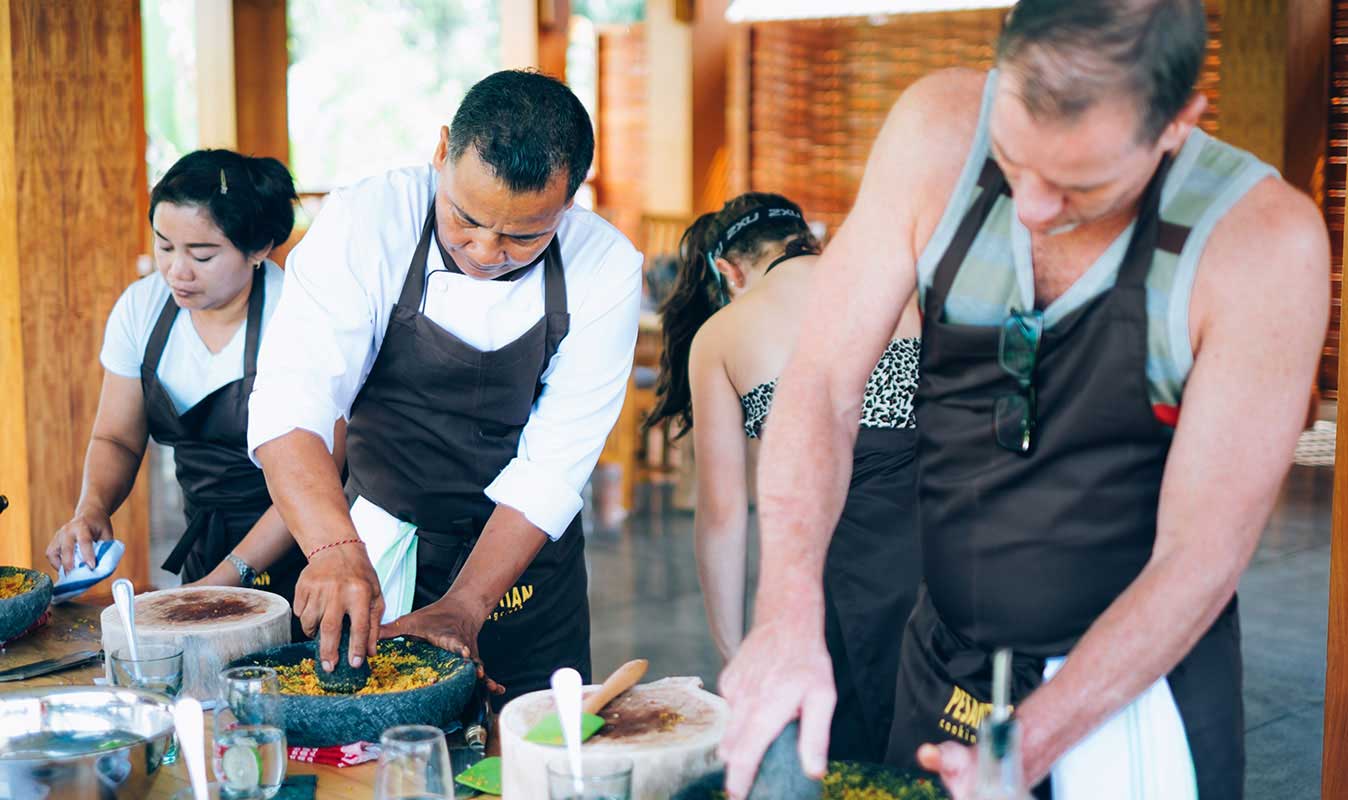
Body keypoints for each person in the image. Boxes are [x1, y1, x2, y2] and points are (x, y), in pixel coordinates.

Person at [716, 2, 1329, 798]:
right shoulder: (936, 131)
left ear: (1178, 123)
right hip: (944, 664)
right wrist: (786, 617)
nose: (1033, 208)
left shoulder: (1261, 245)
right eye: (1010, 160)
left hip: (1134, 699)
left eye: (1081, 184)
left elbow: (1200, 558)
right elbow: (824, 382)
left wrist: (1030, 743)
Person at [247, 70, 642, 705]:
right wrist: (334, 546)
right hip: (374, 548)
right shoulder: (367, 221)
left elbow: (553, 466)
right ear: (442, 152)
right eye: (465, 217)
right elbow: (293, 403)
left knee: (531, 752)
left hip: (523, 568)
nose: (486, 251)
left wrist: (465, 605)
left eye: (524, 235)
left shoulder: (606, 266)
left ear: (568, 203)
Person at [645, 193, 923, 762]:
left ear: (728, 270)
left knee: (847, 758)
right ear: (807, 240)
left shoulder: (722, 334)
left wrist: (735, 651)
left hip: (831, 575)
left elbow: (723, 518)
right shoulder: (895, 284)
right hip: (942, 552)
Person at [47, 149, 337, 606]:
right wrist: (93, 507)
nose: (176, 271)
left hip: (313, 552)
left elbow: (322, 470)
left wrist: (232, 574)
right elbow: (117, 439)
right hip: (206, 550)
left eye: (201, 255)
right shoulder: (142, 308)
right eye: (164, 246)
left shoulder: (296, 315)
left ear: (258, 248)